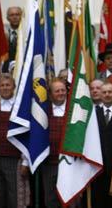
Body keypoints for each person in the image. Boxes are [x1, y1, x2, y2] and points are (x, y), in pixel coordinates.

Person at [40, 78, 76, 208]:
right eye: (57, 91)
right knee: (51, 199)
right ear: (50, 94)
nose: (61, 93)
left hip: (72, 163)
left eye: (63, 90)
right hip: (50, 163)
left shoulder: (74, 109)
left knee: (71, 200)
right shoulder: (43, 111)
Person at [0, 73, 24, 208]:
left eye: (8, 85)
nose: (5, 88)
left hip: (14, 158)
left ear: (14, 87)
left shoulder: (20, 107)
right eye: (2, 85)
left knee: (13, 196)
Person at [92, 82, 112, 208]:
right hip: (98, 165)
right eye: (104, 92)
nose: (107, 95)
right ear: (99, 94)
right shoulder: (93, 114)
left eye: (110, 92)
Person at [4, 6, 23, 72]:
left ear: (21, 16)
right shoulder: (3, 34)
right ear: (7, 18)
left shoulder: (27, 33)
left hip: (23, 69)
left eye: (17, 14)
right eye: (12, 15)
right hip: (6, 71)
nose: (15, 17)